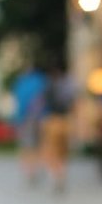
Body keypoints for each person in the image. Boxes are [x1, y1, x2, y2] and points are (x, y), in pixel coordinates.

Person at [40, 65, 76, 194]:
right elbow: (72, 103)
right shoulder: (68, 85)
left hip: (52, 120)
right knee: (63, 151)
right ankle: (62, 174)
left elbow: (43, 104)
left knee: (52, 151)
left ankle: (55, 175)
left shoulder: (48, 86)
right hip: (65, 120)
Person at [11, 66, 47, 186]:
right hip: (40, 118)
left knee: (27, 146)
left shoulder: (21, 82)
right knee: (39, 144)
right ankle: (38, 167)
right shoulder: (41, 81)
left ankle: (30, 171)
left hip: (26, 118)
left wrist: (18, 119)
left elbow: (19, 102)